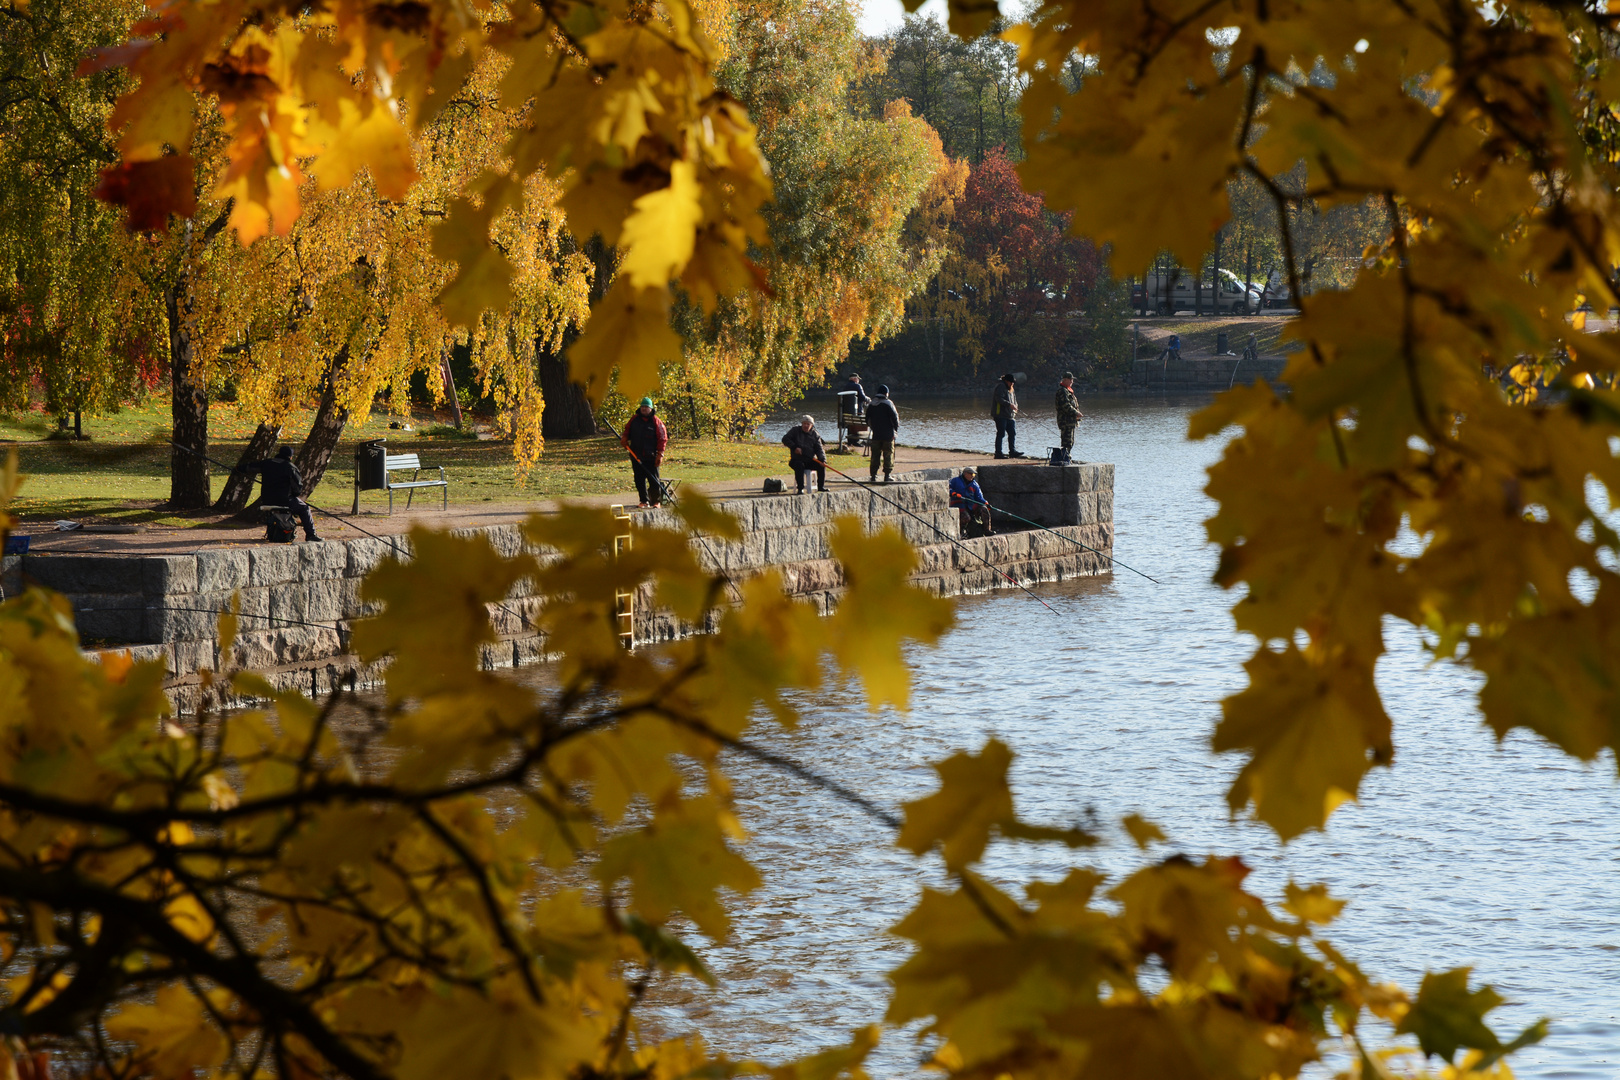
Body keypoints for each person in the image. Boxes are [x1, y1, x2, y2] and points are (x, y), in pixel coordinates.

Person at [241, 446, 320, 542]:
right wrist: (293, 495)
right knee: (304, 508)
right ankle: (311, 535)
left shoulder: (267, 463)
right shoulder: (290, 467)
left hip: (267, 499)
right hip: (285, 500)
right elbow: (297, 488)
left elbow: (249, 467)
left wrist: (238, 469)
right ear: (290, 456)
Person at [620, 397, 668, 508]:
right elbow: (627, 430)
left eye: (646, 407)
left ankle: (656, 501)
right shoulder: (634, 420)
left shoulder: (656, 421)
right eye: (642, 407)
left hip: (651, 457)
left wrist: (660, 454)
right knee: (639, 479)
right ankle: (644, 501)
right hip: (636, 455)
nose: (644, 409)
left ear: (651, 408)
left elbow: (662, 438)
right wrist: (624, 438)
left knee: (654, 480)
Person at [782, 414, 827, 494]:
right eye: (804, 423)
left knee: (821, 465)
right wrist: (794, 447)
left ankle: (821, 487)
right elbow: (785, 439)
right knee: (799, 466)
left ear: (812, 425)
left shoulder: (815, 435)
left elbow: (819, 449)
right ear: (802, 424)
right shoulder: (795, 430)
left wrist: (822, 460)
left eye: (808, 424)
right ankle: (800, 488)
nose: (806, 425)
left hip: (809, 460)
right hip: (796, 460)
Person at [865, 384, 899, 482]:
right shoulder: (888, 404)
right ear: (886, 393)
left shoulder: (871, 404)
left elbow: (867, 419)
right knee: (888, 454)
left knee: (875, 455)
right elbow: (895, 418)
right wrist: (895, 430)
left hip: (876, 434)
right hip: (888, 434)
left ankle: (873, 476)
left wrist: (873, 427)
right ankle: (887, 476)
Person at [949, 466, 993, 538]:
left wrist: (985, 503)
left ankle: (987, 530)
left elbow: (979, 497)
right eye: (971, 474)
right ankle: (961, 531)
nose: (973, 476)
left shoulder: (974, 484)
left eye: (974, 475)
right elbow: (948, 487)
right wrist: (953, 493)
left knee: (984, 509)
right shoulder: (955, 480)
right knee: (966, 517)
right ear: (965, 474)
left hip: (971, 505)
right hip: (959, 504)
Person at [991, 373, 1023, 459]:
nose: (1012, 384)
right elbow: (999, 399)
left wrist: (1015, 406)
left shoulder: (1011, 388)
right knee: (1001, 434)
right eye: (1011, 382)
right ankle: (998, 453)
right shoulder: (1000, 386)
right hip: (1000, 415)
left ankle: (1012, 452)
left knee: (1012, 433)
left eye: (1013, 382)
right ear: (1006, 381)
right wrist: (1009, 405)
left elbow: (1014, 399)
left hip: (1010, 415)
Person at [1054, 371, 1085, 455]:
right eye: (1070, 379)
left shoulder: (1068, 391)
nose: (1071, 381)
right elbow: (1065, 405)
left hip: (1070, 421)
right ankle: (1064, 458)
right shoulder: (1062, 391)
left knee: (1070, 442)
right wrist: (1076, 413)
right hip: (1065, 422)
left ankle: (1066, 458)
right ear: (1064, 380)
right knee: (1066, 442)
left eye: (1072, 380)